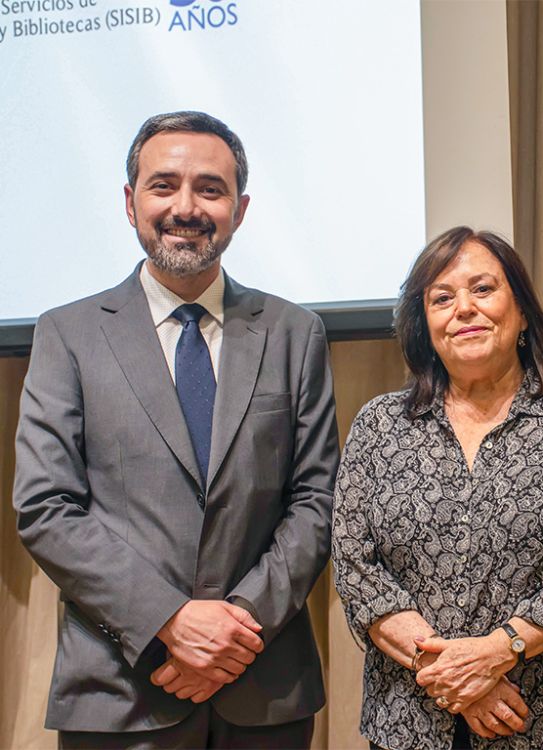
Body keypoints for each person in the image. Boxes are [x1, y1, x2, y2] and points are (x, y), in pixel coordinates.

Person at [13, 111, 338, 748]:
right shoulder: (67, 334)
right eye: (164, 186)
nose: (185, 207)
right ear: (130, 202)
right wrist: (169, 620)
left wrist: (238, 625)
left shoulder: (295, 333)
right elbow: (46, 507)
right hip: (120, 688)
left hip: (264, 684)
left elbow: (317, 501)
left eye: (210, 189)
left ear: (240, 210)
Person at [332, 226, 543, 749]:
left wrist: (499, 652)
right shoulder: (379, 425)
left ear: (521, 313)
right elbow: (355, 567)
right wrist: (460, 682)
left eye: (483, 289)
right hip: (408, 722)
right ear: (425, 325)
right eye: (442, 298)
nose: (463, 309)